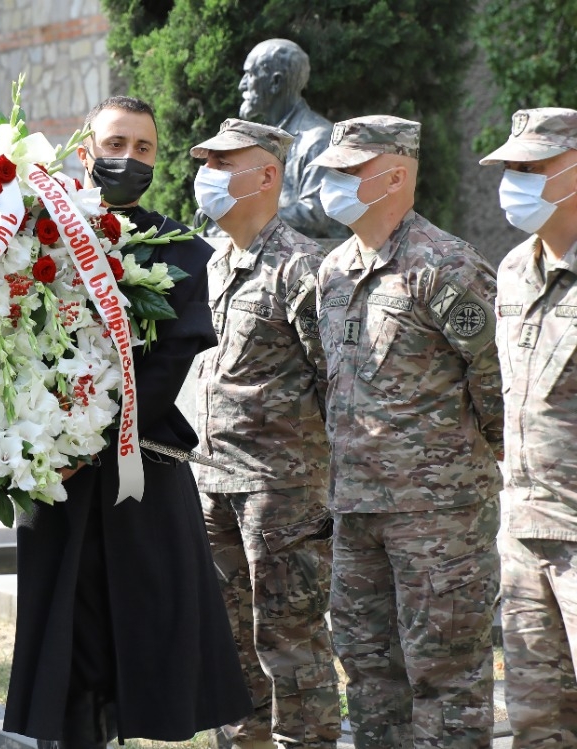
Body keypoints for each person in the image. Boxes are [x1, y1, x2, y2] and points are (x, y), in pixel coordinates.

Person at [3, 95, 252, 747]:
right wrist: (42, 441)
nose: (128, 158)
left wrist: (86, 438)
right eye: (115, 144)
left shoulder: (184, 252)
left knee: (143, 637)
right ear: (85, 149)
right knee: (68, 646)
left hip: (138, 474)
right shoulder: (34, 236)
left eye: (144, 148)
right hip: (55, 475)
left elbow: (166, 369)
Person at [312, 116, 503, 748]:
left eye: (349, 170)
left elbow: (496, 377)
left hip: (439, 518)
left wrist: (476, 465)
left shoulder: (445, 266)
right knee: (368, 676)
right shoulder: (334, 269)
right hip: (355, 510)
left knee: (447, 679)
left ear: (394, 176)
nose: (332, 182)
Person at [190, 119, 338, 749]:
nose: (208, 176)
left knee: (290, 645)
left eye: (224, 164)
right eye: (206, 163)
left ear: (267, 175)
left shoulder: (302, 269)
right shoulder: (213, 261)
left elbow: (337, 381)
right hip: (211, 483)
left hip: (282, 493)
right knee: (228, 648)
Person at [480, 106, 577, 749]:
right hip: (522, 531)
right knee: (536, 720)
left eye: (533, 166)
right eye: (510, 166)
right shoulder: (514, 270)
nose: (515, 179)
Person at [237, 39, 346, 239]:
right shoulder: (262, 140)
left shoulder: (319, 139)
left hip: (314, 254)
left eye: (250, 74)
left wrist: (247, 219)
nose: (241, 85)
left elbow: (316, 213)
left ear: (276, 83)